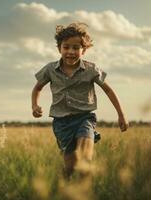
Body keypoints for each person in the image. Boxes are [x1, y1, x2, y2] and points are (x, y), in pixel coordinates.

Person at [31, 22, 128, 178]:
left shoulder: (91, 69)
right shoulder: (50, 69)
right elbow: (37, 88)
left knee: (85, 159)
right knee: (70, 166)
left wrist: (121, 115)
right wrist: (35, 105)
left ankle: (84, 189)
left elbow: (108, 90)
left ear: (84, 50)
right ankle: (65, 185)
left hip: (84, 118)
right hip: (61, 123)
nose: (71, 51)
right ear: (59, 48)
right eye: (66, 47)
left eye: (76, 48)